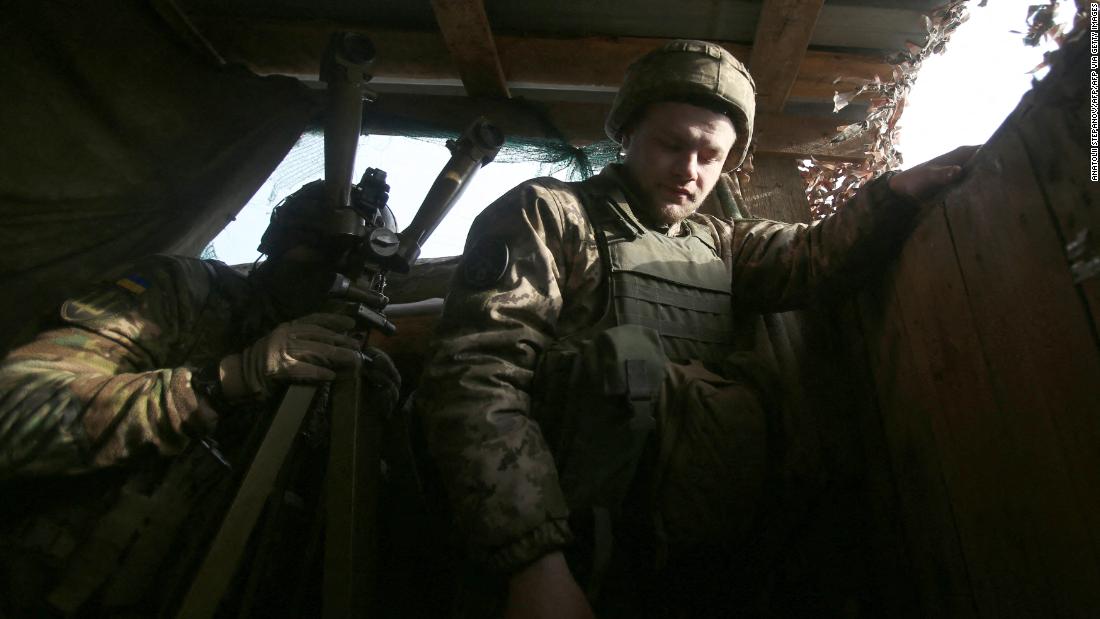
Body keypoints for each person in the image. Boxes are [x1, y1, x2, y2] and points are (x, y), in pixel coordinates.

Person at [415, 39, 977, 618]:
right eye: (671, 144)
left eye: (710, 156)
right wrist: (533, 561)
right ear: (627, 133)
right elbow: (477, 375)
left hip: (703, 572)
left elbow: (815, 256)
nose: (689, 170)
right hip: (573, 563)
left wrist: (894, 195)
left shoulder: (724, 244)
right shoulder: (552, 216)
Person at [0, 180, 401, 616]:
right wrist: (219, 383)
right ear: (278, 239)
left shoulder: (360, 375)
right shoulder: (181, 292)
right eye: (318, 249)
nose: (331, 274)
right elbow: (15, 414)